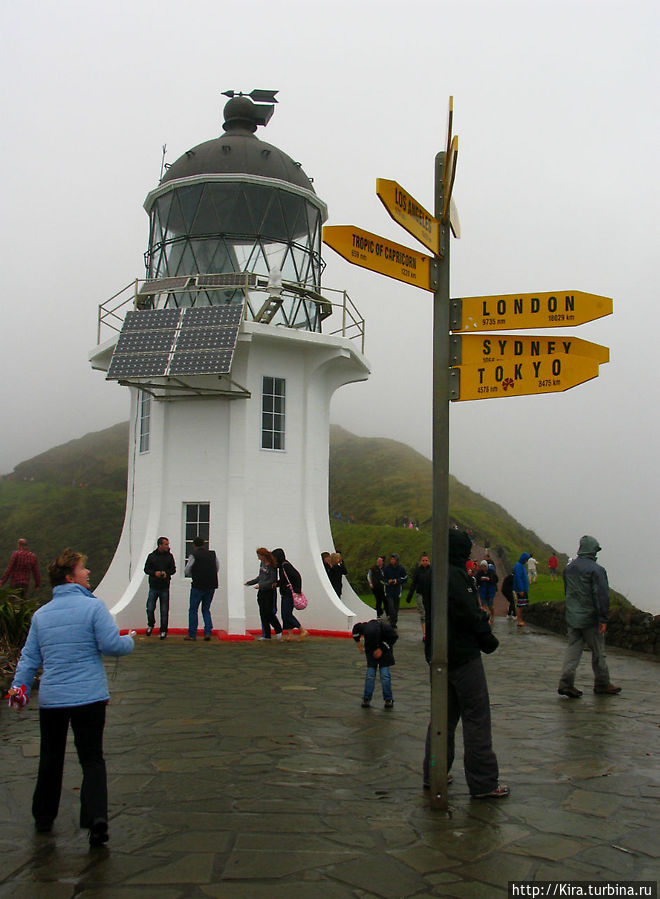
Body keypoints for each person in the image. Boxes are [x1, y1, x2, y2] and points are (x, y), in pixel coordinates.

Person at [8, 548, 134, 847]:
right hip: (89, 697)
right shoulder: (94, 609)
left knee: (51, 758)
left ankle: (43, 817)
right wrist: (129, 641)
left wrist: (18, 689)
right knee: (92, 759)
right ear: (70, 576)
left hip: (53, 700)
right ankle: (96, 820)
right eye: (82, 568)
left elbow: (29, 658)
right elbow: (111, 646)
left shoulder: (41, 615)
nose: (87, 572)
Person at [423, 530, 509, 798]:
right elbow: (469, 615)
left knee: (442, 718)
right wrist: (487, 639)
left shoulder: (434, 575)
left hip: (439, 655)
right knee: (476, 718)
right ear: (462, 552)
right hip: (464, 656)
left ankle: (433, 772)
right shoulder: (458, 577)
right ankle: (483, 783)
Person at [557, 535, 621, 698]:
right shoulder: (596, 570)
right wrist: (603, 618)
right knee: (598, 651)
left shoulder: (569, 569)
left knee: (573, 650)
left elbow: (567, 592)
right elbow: (601, 596)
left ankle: (566, 683)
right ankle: (602, 683)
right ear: (592, 549)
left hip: (573, 617)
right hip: (590, 619)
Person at [352, 618, 398, 708]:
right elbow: (355, 629)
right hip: (371, 651)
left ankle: (388, 699)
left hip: (385, 652)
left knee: (385, 676)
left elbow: (394, 637)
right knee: (370, 675)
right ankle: (366, 698)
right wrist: (358, 642)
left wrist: (381, 649)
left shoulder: (386, 628)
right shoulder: (364, 627)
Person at [184, 536, 219, 641]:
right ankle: (208, 632)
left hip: (198, 585)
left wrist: (194, 574)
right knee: (206, 609)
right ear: (204, 544)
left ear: (194, 545)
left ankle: (192, 634)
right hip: (211, 585)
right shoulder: (213, 554)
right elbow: (217, 567)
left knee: (193, 610)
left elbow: (187, 570)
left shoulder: (193, 555)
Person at [245, 548, 282, 640]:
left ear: (263, 556)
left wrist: (260, 585)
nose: (258, 557)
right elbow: (260, 577)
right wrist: (250, 582)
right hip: (262, 591)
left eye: (259, 556)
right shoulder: (262, 564)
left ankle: (278, 629)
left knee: (269, 612)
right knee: (262, 613)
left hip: (269, 591)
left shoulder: (272, 566)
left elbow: (272, 580)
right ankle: (266, 635)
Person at [272, 547, 308, 640]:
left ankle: (302, 630)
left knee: (287, 613)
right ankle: (290, 634)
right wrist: (278, 584)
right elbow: (285, 580)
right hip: (285, 592)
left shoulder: (285, 566)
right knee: (284, 614)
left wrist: (297, 590)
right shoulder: (282, 566)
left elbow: (296, 576)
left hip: (289, 593)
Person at [143, 537, 176, 639]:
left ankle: (163, 630)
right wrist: (155, 573)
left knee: (164, 610)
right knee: (150, 608)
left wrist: (166, 573)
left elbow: (173, 569)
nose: (167, 546)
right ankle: (151, 624)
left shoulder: (170, 557)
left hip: (164, 586)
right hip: (153, 586)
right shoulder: (151, 556)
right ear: (160, 545)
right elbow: (146, 569)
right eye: (165, 544)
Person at [406, 552, 432, 640]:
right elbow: (414, 583)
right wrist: (410, 595)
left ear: (429, 561)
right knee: (423, 614)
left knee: (430, 613)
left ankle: (430, 632)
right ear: (421, 561)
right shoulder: (418, 571)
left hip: (429, 594)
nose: (424, 562)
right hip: (420, 594)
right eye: (423, 560)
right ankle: (425, 634)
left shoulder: (432, 570)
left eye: (426, 560)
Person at [382, 553, 408, 628]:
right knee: (391, 607)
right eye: (391, 559)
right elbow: (382, 578)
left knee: (396, 608)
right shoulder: (387, 568)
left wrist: (398, 581)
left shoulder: (401, 568)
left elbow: (405, 578)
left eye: (393, 559)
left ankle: (394, 621)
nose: (392, 560)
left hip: (397, 591)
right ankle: (392, 621)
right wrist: (388, 581)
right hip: (389, 590)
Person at [513, 552, 531, 627]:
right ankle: (519, 621)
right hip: (521, 589)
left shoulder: (521, 566)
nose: (526, 561)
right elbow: (518, 578)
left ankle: (520, 620)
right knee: (520, 605)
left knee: (522, 605)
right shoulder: (518, 566)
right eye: (526, 559)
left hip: (524, 589)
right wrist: (521, 589)